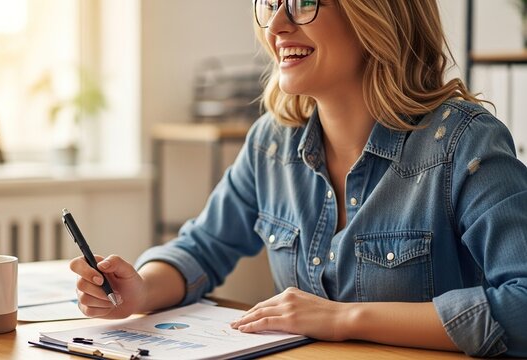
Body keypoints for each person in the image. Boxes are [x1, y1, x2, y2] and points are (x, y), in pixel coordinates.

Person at [70, 0, 527, 357]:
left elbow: (522, 304)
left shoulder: (464, 143)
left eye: (305, 3)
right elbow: (201, 248)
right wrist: (141, 290)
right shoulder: (272, 142)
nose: (276, 27)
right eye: (271, 5)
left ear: (378, 15)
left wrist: (343, 319)